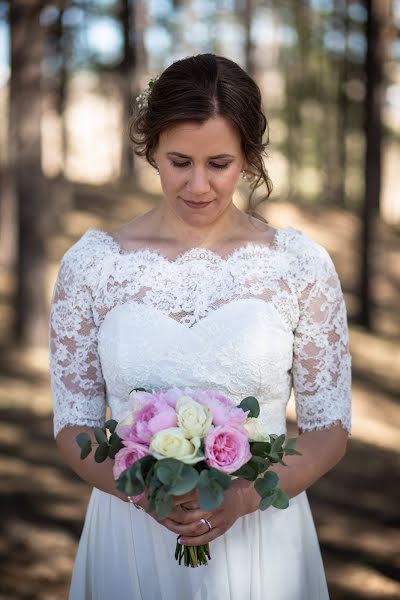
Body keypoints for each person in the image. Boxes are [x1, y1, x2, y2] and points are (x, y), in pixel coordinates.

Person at [49, 53, 352, 600]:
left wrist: (241, 498)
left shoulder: (299, 267)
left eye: (219, 163)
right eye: (179, 160)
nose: (198, 185)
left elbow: (328, 429)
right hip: (131, 532)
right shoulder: (93, 266)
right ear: (152, 151)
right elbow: (74, 424)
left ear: (248, 158)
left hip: (263, 537)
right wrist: (146, 494)